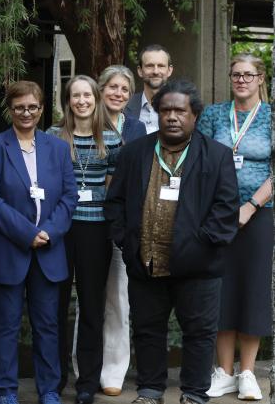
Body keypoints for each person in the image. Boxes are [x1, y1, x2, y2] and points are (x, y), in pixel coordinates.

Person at [105, 79, 240, 404]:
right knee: (148, 332)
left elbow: (226, 210)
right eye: (165, 110)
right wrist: (127, 241)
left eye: (180, 110)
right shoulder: (135, 152)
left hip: (199, 267)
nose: (172, 117)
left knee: (199, 334)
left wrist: (198, 246)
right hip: (146, 261)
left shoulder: (217, 155)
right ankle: (150, 391)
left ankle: (194, 393)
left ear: (194, 115)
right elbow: (116, 202)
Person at [0, 81, 78, 404]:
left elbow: (69, 196)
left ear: (42, 109)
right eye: (19, 107)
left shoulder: (58, 147)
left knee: (48, 326)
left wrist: (49, 231)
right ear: (10, 109)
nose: (26, 113)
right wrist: (27, 233)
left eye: (32, 107)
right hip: (9, 249)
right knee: (5, 326)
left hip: (49, 249)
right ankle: (5, 390)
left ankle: (48, 389)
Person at [198, 53, 272, 401]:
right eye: (235, 74)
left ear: (260, 78)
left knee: (252, 289)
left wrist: (250, 205)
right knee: (221, 290)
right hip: (218, 215)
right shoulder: (213, 114)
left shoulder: (272, 117)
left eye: (248, 74)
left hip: (260, 214)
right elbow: (199, 159)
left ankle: (247, 373)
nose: (241, 80)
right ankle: (223, 372)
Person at [47, 75, 121, 404]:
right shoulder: (51, 137)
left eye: (87, 95)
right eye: (75, 96)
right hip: (60, 229)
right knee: (55, 305)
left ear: (96, 98)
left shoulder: (112, 138)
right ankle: (54, 378)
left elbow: (111, 185)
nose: (81, 101)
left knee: (91, 306)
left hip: (96, 229)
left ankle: (87, 382)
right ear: (68, 101)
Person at [88, 65, 147, 396]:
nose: (118, 94)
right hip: (87, 220)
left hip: (123, 223)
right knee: (89, 298)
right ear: (100, 89)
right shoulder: (86, 120)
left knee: (120, 299)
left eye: (125, 89)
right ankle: (87, 366)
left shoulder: (137, 128)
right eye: (112, 87)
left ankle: (113, 370)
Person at [124, 44, 174, 133]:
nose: (155, 71)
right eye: (150, 66)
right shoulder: (125, 105)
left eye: (161, 66)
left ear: (169, 70)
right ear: (140, 71)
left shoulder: (182, 107)